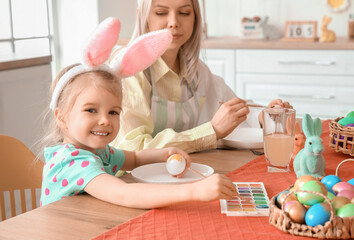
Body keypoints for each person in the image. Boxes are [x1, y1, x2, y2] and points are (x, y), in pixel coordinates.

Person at [40, 18, 237, 208]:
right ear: (61, 117)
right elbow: (125, 194)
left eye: (113, 112)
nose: (104, 120)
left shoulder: (99, 152)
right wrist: (194, 191)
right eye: (91, 110)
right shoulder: (72, 161)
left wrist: (164, 153)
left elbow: (134, 158)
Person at [110, 0, 291, 153]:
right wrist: (212, 131)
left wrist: (263, 116)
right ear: (142, 16)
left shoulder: (196, 70)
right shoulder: (127, 69)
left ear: (196, 18)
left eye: (184, 12)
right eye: (161, 12)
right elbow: (132, 148)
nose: (173, 22)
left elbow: (232, 105)